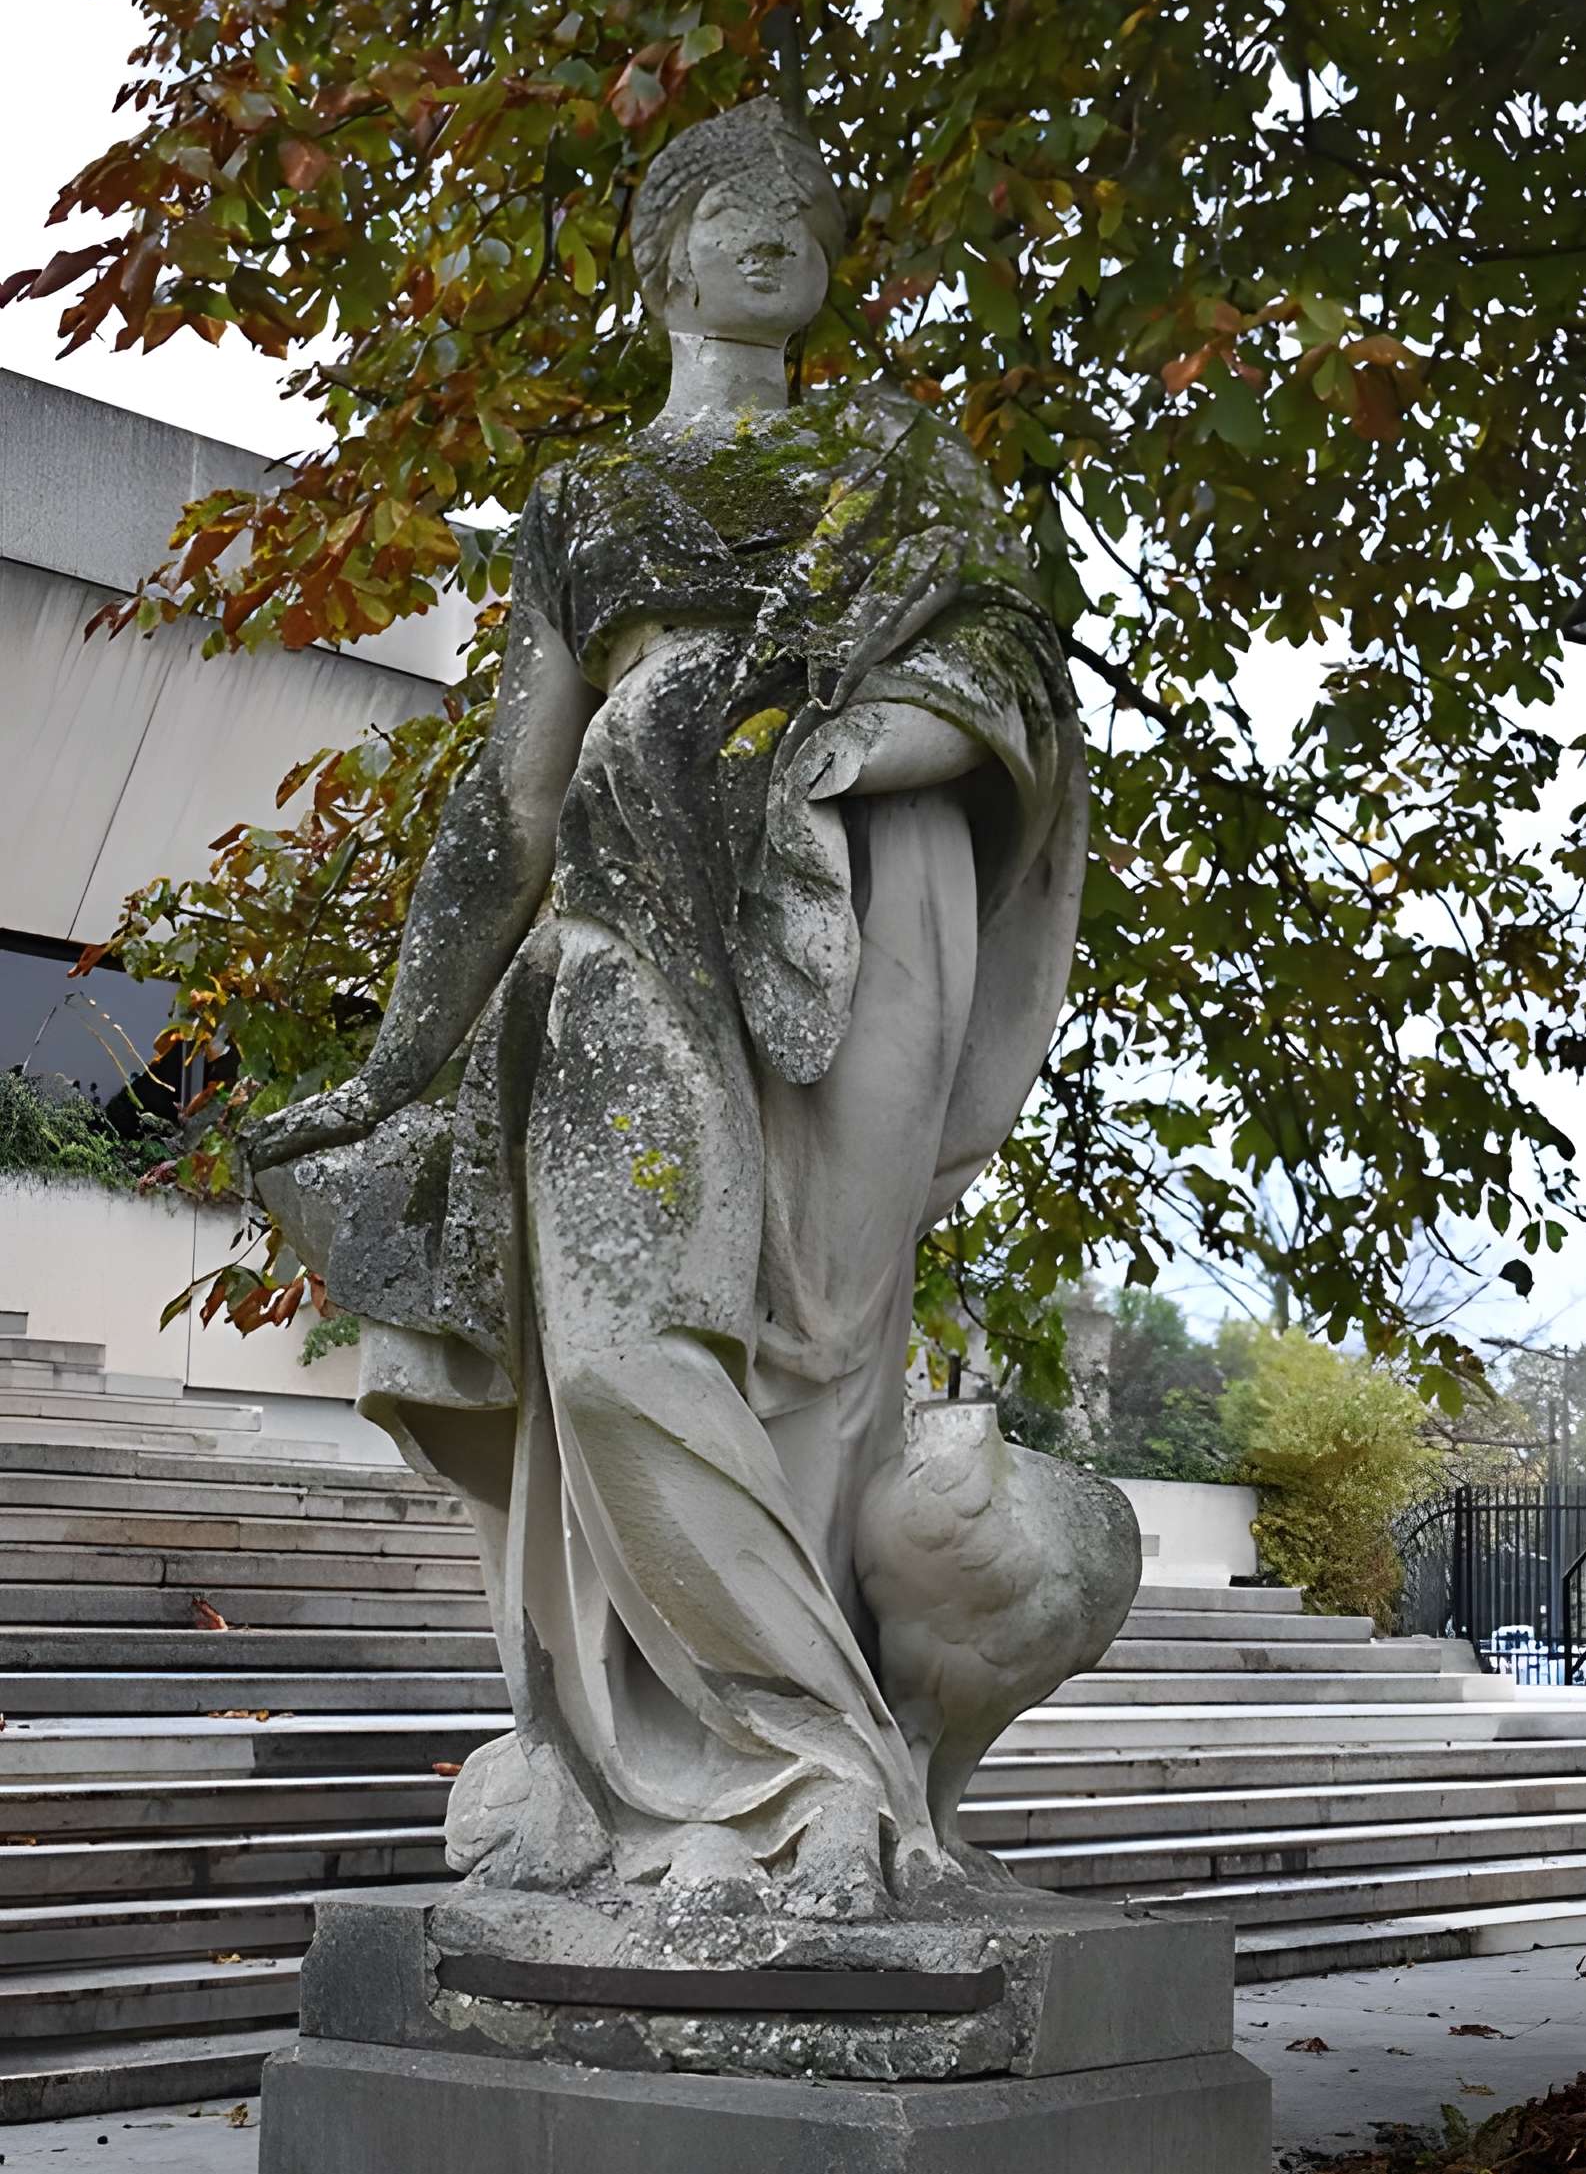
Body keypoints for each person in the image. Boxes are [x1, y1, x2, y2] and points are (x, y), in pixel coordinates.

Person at [247, 98, 1088, 1912]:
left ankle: (809, 1796)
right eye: (728, 205)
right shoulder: (590, 503)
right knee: (624, 1353)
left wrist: (862, 740)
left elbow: (1009, 673)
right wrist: (401, 1063)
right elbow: (512, 804)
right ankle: (796, 1759)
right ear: (665, 255)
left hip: (869, 908)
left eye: (804, 208)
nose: (774, 229)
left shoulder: (906, 477)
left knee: (828, 1347)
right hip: (625, 934)